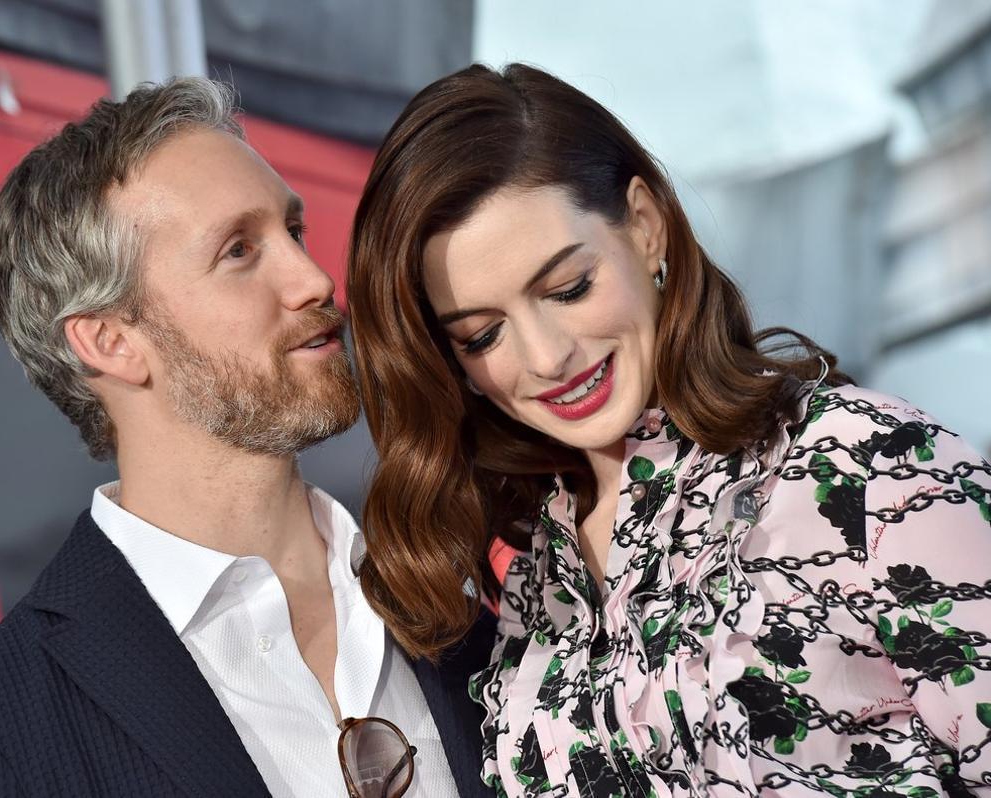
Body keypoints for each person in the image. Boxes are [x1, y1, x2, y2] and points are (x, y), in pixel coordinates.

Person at [345, 62, 991, 796]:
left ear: (646, 227)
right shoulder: (535, 585)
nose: (546, 357)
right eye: (482, 335)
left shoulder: (865, 464)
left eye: (568, 288)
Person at [0, 77, 494, 798]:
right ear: (110, 341)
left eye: (292, 232)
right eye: (238, 251)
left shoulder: (459, 608)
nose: (313, 280)